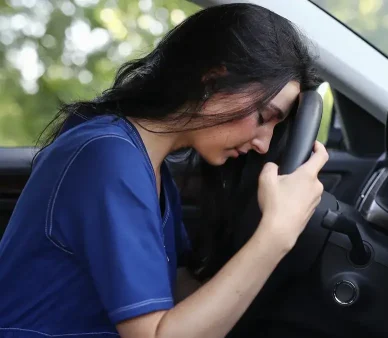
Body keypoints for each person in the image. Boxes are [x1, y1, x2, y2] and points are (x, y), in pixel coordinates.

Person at [0, 3, 328, 338]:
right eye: (264, 116)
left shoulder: (149, 167)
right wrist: (276, 234)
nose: (264, 143)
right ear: (212, 83)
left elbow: (175, 291)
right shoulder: (108, 157)